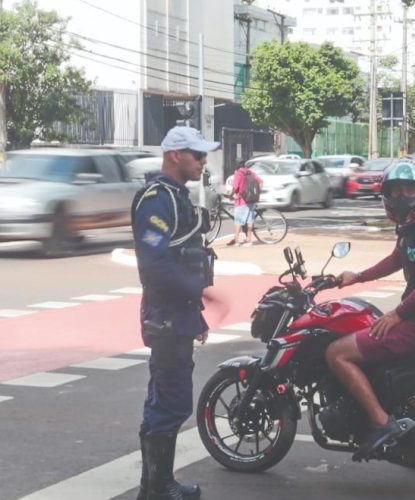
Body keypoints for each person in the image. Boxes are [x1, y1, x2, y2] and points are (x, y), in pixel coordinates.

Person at [325, 159, 415, 462]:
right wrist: (358, 277)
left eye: (409, 189)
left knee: (336, 353)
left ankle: (380, 422)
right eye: (395, 190)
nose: (402, 197)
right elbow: (396, 260)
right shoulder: (411, 228)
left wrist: (398, 315)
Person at [131, 126, 219, 500]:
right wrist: (197, 292)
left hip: (177, 315)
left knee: (167, 398)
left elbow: (183, 256)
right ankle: (157, 488)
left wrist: (195, 312)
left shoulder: (175, 197)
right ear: (174, 156)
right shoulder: (157, 201)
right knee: (171, 399)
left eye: (203, 155)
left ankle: (154, 486)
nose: (203, 161)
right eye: (196, 155)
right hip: (165, 316)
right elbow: (156, 266)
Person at [225, 162, 263, 247]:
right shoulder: (250, 172)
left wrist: (230, 196)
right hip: (251, 200)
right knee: (250, 220)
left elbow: (235, 187)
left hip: (241, 200)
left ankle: (237, 240)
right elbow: (261, 182)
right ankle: (249, 240)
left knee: (238, 221)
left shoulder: (238, 173)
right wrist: (257, 193)